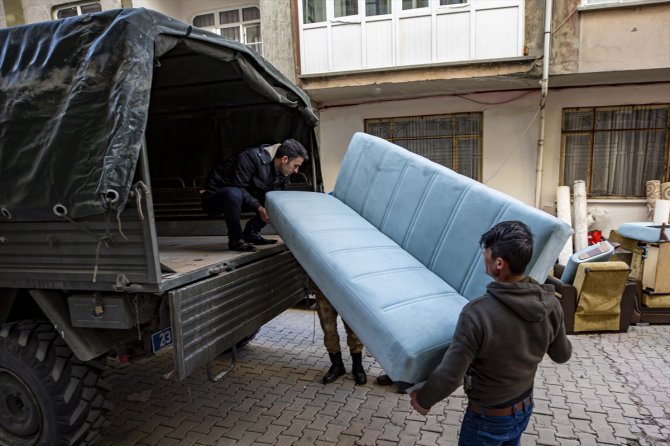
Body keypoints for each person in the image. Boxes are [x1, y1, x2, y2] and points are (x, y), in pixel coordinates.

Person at [410, 220, 572, 446]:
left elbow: (451, 375)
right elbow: (562, 355)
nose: (483, 255)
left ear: (499, 263)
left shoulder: (477, 314)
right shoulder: (549, 303)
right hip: (523, 406)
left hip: (488, 418)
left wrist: (424, 399)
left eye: (486, 251)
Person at [202, 139, 308, 252]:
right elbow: (239, 187)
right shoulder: (250, 157)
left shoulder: (283, 170)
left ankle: (251, 233)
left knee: (277, 200)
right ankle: (236, 240)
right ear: (284, 159)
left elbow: (279, 197)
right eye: (296, 166)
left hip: (243, 199)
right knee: (234, 193)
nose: (296, 171)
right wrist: (258, 207)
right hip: (216, 199)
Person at [309, 280, 367, 385]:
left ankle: (357, 366)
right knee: (329, 330)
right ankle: (337, 366)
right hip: (323, 286)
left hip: (347, 286)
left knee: (353, 329)